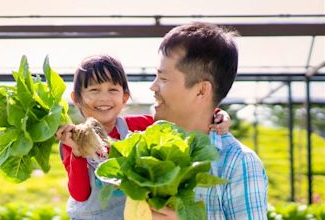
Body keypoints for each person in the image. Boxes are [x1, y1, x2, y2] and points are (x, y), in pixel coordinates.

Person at [55, 54, 231, 219]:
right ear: (77, 98)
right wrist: (78, 153)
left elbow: (180, 119)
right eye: (94, 90)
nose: (104, 98)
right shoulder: (72, 141)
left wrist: (215, 113)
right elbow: (80, 193)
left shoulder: (138, 125)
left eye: (112, 90)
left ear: (124, 97)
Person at [149, 22, 268, 220]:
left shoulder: (237, 162)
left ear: (201, 90)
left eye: (163, 78)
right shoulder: (151, 150)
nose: (153, 87)